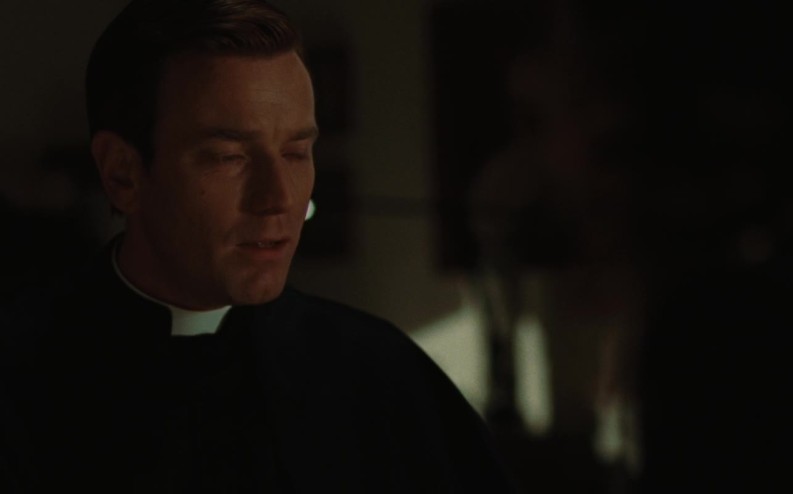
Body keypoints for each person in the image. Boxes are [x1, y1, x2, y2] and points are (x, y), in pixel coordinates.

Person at [1, 0, 514, 492]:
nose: (278, 199)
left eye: (295, 153)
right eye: (229, 157)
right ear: (122, 174)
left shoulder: (381, 373)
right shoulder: (19, 378)